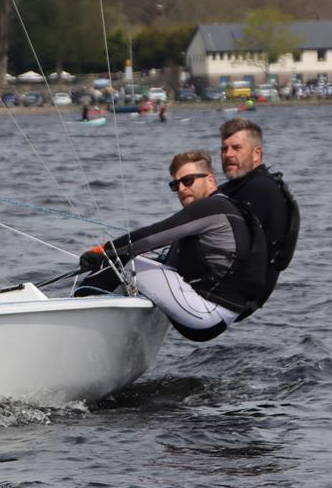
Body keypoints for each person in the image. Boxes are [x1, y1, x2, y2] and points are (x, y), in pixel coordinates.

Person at [76, 150, 267, 341]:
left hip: (206, 313)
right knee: (131, 263)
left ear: (210, 180)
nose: (182, 188)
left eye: (189, 180)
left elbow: (153, 237)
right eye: (176, 184)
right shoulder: (226, 207)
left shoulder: (212, 207)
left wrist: (103, 251)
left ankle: (77, 323)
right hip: (216, 315)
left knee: (118, 263)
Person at [218, 118, 299, 307]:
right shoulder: (241, 187)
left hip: (233, 297)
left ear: (256, 154)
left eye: (236, 148)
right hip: (242, 297)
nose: (228, 154)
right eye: (224, 149)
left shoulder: (260, 189)